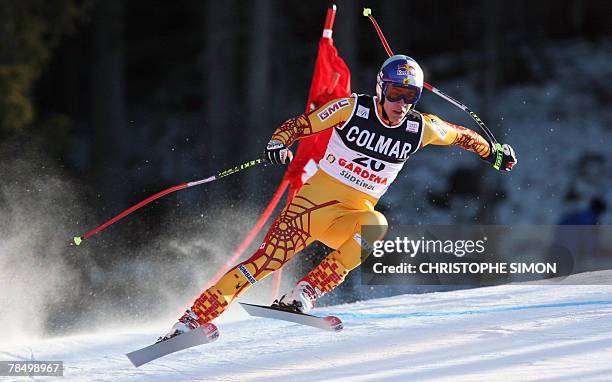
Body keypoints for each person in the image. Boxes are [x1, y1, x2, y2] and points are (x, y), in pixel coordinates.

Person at [160, 55, 517, 340]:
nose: (401, 104)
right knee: (262, 264)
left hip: (349, 217)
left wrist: (494, 154)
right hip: (308, 211)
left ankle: (305, 293)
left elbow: (462, 136)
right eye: (395, 94)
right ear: (381, 90)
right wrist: (279, 142)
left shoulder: (418, 128)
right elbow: (301, 125)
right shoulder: (352, 109)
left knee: (377, 225)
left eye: (410, 97)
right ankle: (192, 318)